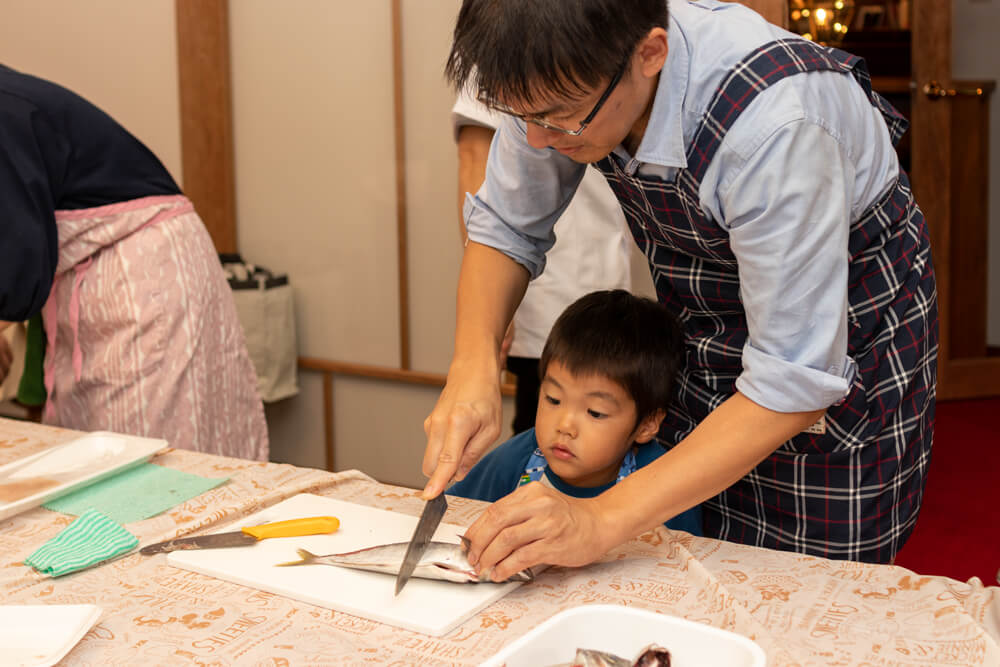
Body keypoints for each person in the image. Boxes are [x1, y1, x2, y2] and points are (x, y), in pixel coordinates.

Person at [422, 0, 937, 578]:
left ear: (650, 54)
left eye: (561, 118)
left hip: (841, 333)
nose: (538, 142)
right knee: (690, 555)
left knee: (804, 578)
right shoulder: (562, 75)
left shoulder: (777, 123)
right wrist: (472, 368)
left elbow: (795, 376)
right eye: (523, 118)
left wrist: (598, 520)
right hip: (703, 316)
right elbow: (506, 225)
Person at [0, 64, 268, 460]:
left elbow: (18, 260)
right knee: (93, 459)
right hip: (89, 278)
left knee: (148, 462)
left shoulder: (6, 109)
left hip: (139, 277)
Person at [453, 88, 634, 434]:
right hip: (540, 283)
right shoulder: (497, 47)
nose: (536, 132)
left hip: (608, 281)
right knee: (543, 437)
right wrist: (492, 309)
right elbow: (476, 162)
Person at [448, 289, 702, 536]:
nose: (565, 425)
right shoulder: (517, 460)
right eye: (553, 399)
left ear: (646, 424)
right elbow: (452, 518)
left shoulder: (661, 483)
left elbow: (685, 565)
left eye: (595, 412)